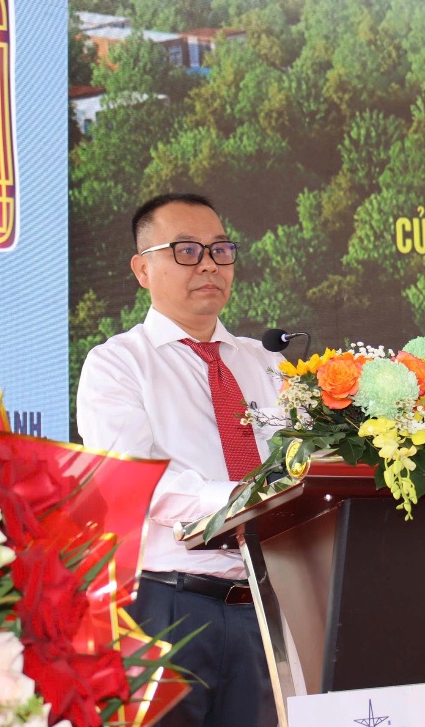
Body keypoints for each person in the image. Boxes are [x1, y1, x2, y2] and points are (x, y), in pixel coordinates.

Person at [77, 193, 281, 727]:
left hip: (268, 610)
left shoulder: (268, 363)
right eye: (186, 250)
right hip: (167, 607)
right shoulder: (117, 365)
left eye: (220, 250)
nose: (209, 264)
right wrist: (246, 501)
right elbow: (138, 482)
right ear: (142, 269)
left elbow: (304, 467)